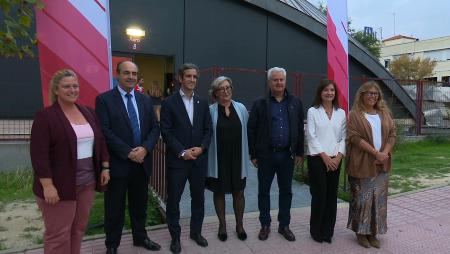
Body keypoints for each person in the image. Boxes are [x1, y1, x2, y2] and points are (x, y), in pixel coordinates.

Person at [30, 69, 110, 254]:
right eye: (67, 86)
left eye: (75, 86)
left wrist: (105, 167)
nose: (72, 90)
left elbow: (100, 141)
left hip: (87, 183)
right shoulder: (46, 116)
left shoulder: (89, 112)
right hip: (59, 186)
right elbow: (39, 154)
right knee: (58, 234)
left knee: (78, 230)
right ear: (56, 90)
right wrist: (47, 186)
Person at [96, 61, 161, 254]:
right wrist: (128, 152)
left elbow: (154, 128)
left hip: (141, 163)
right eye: (126, 73)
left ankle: (140, 238)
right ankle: (112, 245)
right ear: (118, 74)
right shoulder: (105, 100)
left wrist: (145, 149)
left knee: (139, 205)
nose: (131, 77)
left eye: (134, 73)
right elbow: (104, 131)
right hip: (119, 164)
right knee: (114, 209)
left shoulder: (145, 100)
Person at [248, 67, 304, 242]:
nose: (279, 83)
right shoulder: (260, 103)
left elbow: (299, 130)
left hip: (287, 156)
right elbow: (252, 130)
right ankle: (265, 225)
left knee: (286, 191)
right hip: (266, 156)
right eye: (275, 80)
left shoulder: (296, 102)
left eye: (281, 80)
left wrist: (300, 152)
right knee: (263, 191)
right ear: (269, 82)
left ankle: (284, 225)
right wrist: (253, 154)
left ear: (285, 81)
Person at [160, 63, 212, 253]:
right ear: (180, 79)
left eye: (195, 77)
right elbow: (166, 132)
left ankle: (195, 232)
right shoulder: (168, 103)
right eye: (188, 76)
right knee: (174, 200)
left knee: (198, 199)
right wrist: (182, 152)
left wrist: (202, 148)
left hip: (198, 161)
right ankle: (175, 237)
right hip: (178, 161)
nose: (192, 80)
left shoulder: (202, 102)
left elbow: (208, 129)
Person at [346, 81, 396, 249]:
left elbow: (392, 135)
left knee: (378, 200)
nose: (372, 96)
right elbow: (353, 137)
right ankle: (361, 232)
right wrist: (376, 154)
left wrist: (384, 154)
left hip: (381, 164)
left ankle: (373, 232)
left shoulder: (384, 113)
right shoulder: (355, 114)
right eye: (369, 93)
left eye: (375, 93)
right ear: (362, 95)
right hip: (362, 163)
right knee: (362, 200)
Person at [206, 76, 250, 242]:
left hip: (238, 158)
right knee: (219, 192)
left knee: (239, 192)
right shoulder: (210, 111)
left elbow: (248, 133)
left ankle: (240, 225)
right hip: (218, 158)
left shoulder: (241, 108)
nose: (225, 91)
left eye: (228, 87)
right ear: (215, 93)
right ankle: (222, 226)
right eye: (221, 88)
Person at [306, 79, 346, 244]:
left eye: (332, 90)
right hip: (317, 159)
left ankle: (328, 231)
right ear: (320, 93)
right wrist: (325, 157)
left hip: (336, 160)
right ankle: (316, 231)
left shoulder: (341, 113)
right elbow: (311, 135)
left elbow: (344, 137)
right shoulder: (313, 111)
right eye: (326, 90)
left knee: (331, 196)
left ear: (335, 93)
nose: (329, 93)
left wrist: (338, 157)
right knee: (319, 195)